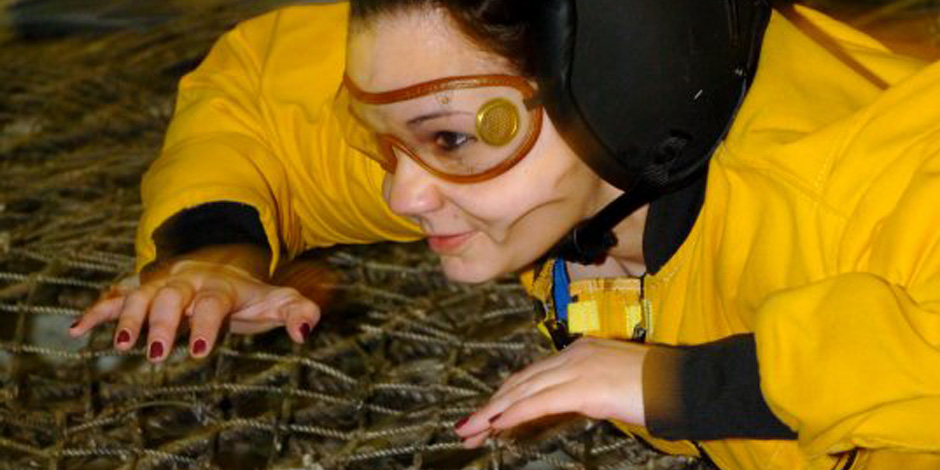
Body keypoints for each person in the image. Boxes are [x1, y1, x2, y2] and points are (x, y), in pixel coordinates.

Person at [69, 0, 940, 468]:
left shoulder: (866, 191)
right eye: (387, 141)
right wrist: (216, 245)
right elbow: (263, 97)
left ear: (627, 93)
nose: (403, 193)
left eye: (447, 140)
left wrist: (700, 385)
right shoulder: (511, 134)